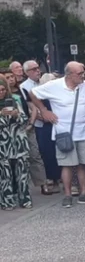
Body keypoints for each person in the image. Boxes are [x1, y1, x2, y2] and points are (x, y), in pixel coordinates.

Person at [29, 62, 85, 208]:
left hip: (84, 131)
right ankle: (67, 195)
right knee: (66, 165)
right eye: (79, 74)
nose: (83, 76)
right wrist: (44, 110)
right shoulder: (55, 85)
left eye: (83, 73)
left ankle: (84, 193)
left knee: (83, 163)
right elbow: (33, 93)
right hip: (64, 132)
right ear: (69, 74)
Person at [3, 68, 48, 194]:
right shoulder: (3, 95)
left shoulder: (21, 90)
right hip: (9, 131)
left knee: (35, 155)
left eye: (12, 76)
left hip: (26, 127)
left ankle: (42, 183)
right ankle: (16, 187)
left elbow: (32, 107)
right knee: (14, 159)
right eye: (7, 77)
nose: (11, 79)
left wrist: (31, 123)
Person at [21, 60, 61, 193]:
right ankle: (49, 178)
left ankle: (57, 177)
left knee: (54, 150)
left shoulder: (45, 81)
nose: (37, 71)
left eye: (38, 68)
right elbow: (28, 106)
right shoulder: (24, 86)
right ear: (26, 72)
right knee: (44, 151)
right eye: (33, 69)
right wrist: (40, 116)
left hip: (53, 120)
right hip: (39, 123)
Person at [0, 77, 32, 210]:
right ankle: (7, 201)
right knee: (5, 175)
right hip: (3, 146)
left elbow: (25, 120)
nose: (1, 92)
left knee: (22, 174)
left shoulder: (14, 101)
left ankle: (25, 200)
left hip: (19, 144)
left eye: (3, 89)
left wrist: (16, 115)